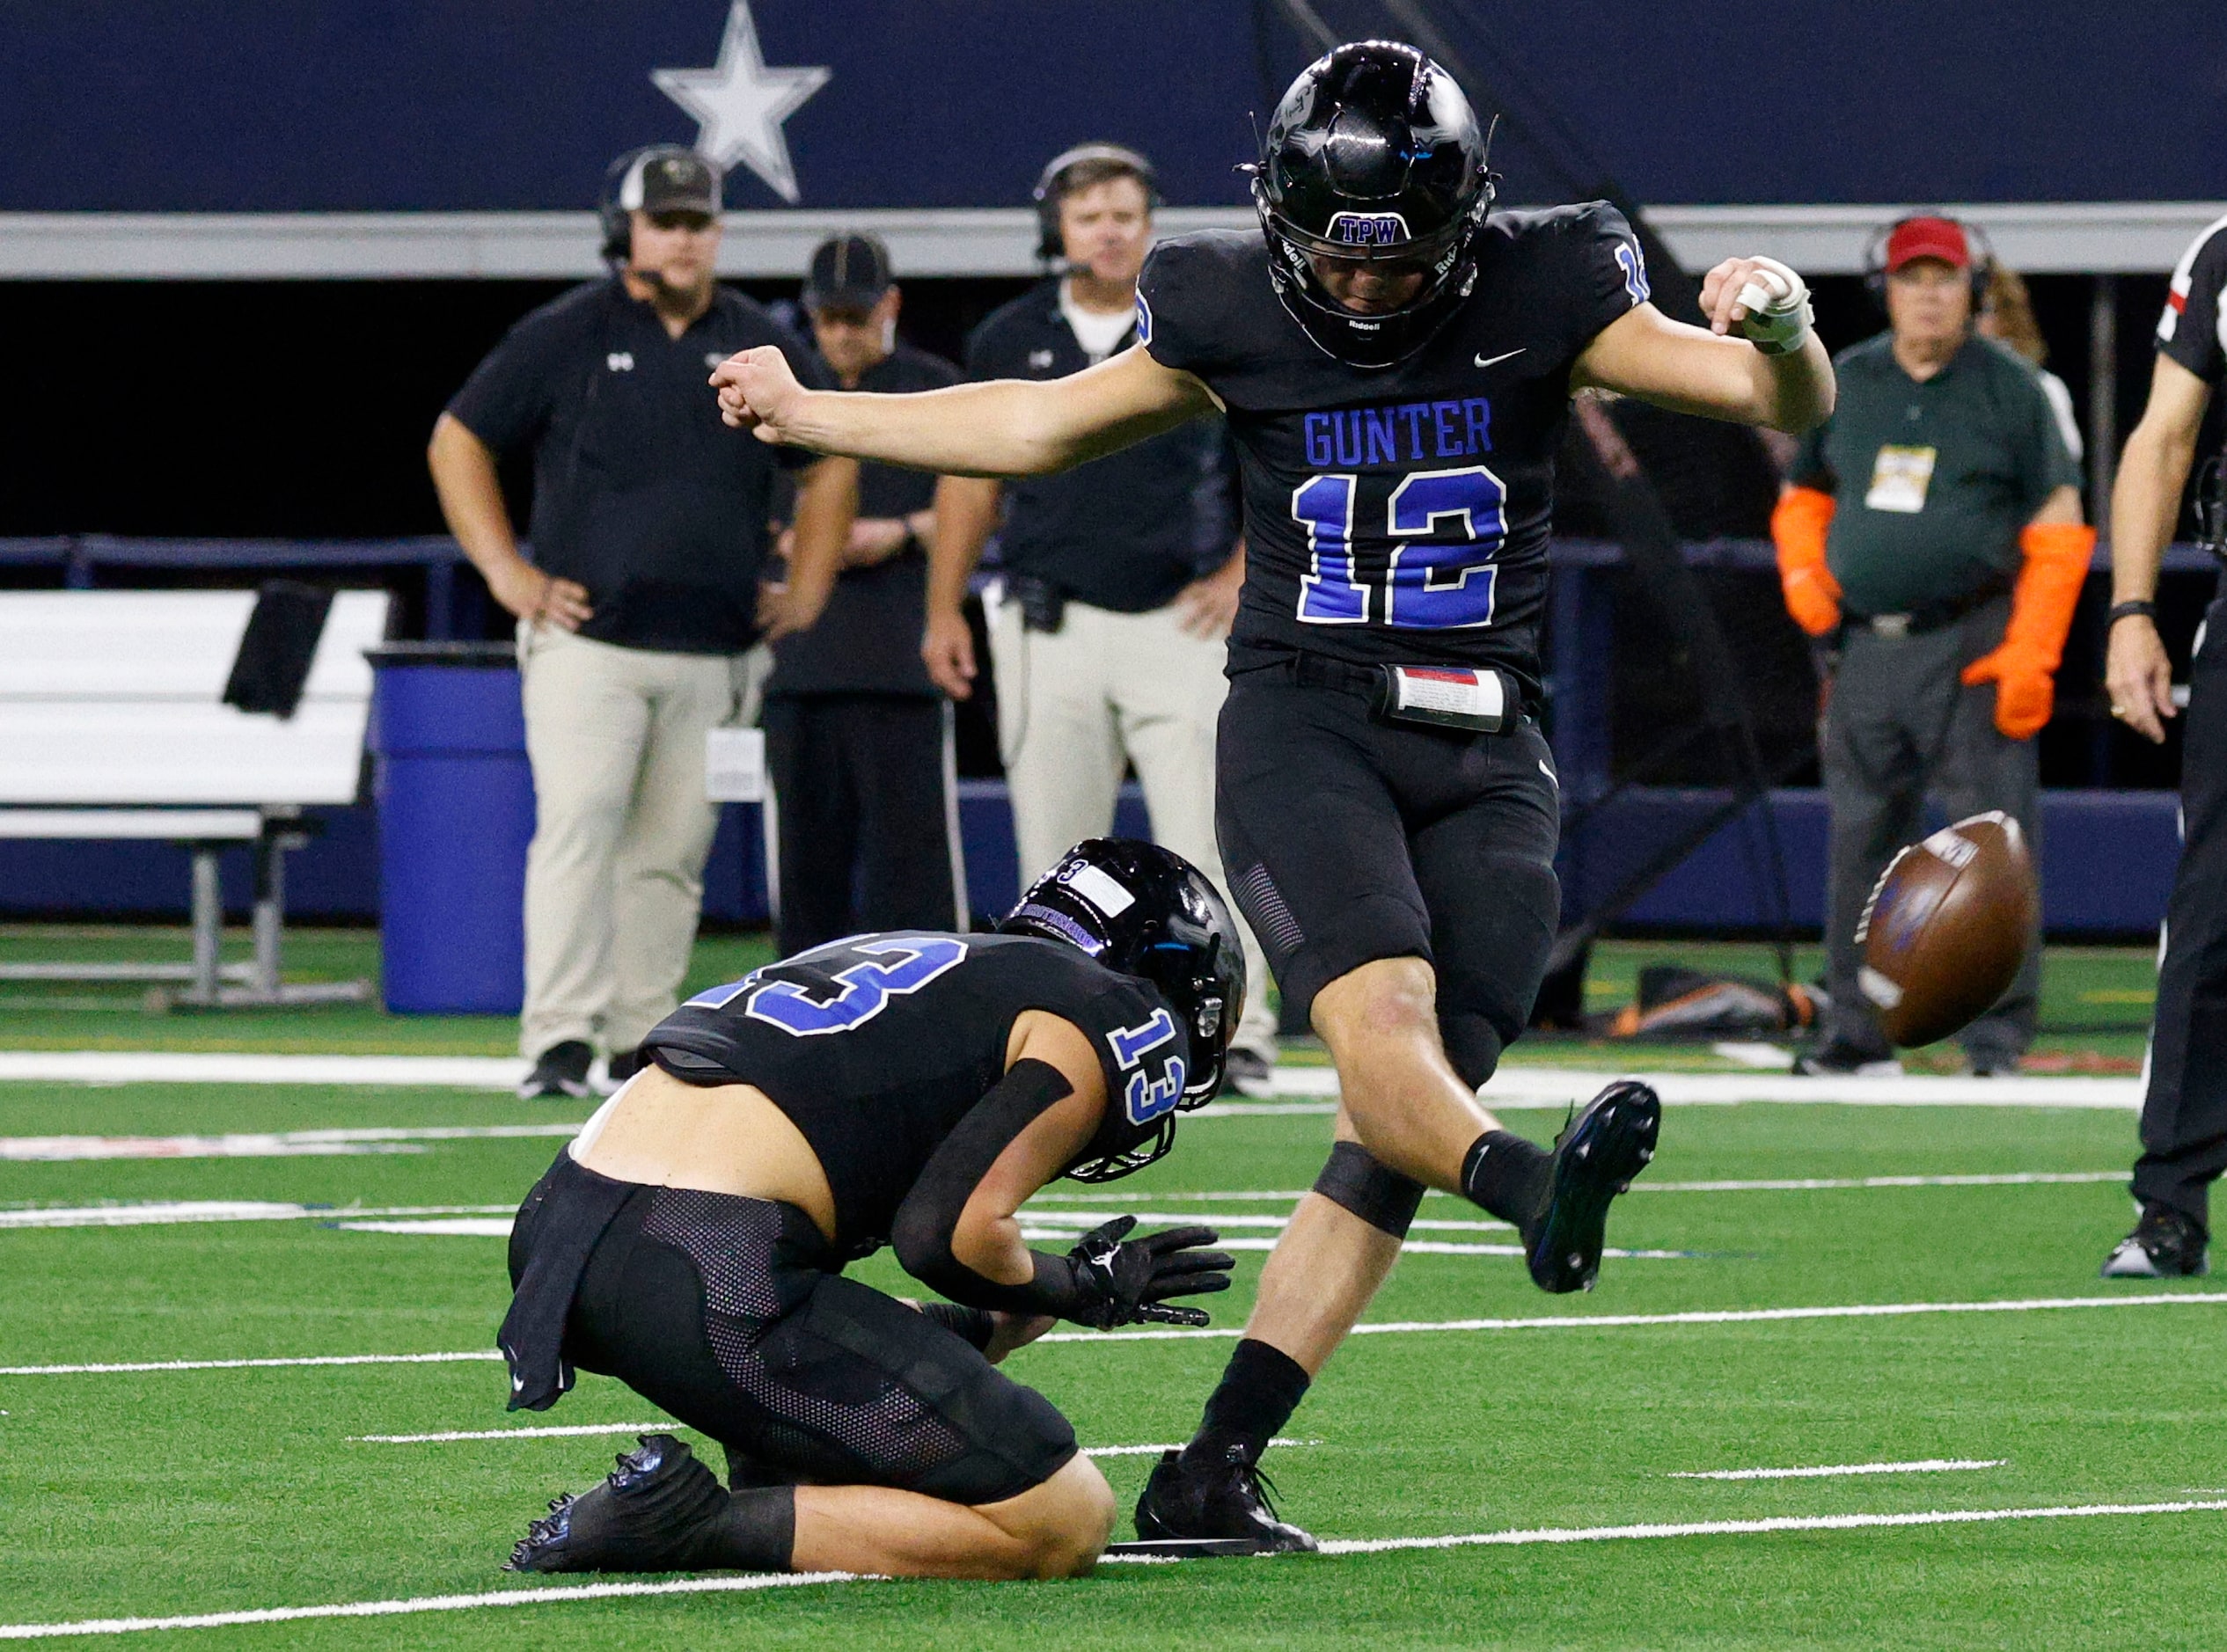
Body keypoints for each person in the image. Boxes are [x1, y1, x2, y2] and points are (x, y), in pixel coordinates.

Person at [712, 41, 1832, 1550]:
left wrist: (1790, 327)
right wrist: (816, 413)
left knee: (1400, 1114)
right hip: (1310, 718)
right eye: (1334, 258)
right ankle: (1525, 1185)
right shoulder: (1224, 301)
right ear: (1281, 218)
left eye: (1398, 262)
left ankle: (1213, 1466)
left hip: (1492, 739)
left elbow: (1780, 403)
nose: (1362, 293)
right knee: (1384, 1040)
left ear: (1465, 225)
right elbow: (1035, 426)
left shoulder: (1547, 284)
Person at [496, 839, 1242, 1579]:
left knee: (850, 1480)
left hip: (571, 1228)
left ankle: (753, 1494)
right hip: (706, 1256)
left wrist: (1008, 1311)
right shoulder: (1110, 1008)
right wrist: (1079, 1288)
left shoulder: (917, 956)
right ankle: (683, 1521)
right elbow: (944, 1238)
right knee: (1060, 1519)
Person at [429, 146, 857, 1100]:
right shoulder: (568, 333)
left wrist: (808, 590)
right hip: (591, 643)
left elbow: (828, 459)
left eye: (698, 221)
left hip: (715, 649)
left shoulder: (755, 337)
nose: (683, 237)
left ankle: (638, 1038)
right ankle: (558, 1038)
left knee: (670, 855)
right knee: (579, 829)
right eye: (665, 221)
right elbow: (458, 438)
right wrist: (508, 573)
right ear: (623, 231)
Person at [921, 142, 1281, 1094]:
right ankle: (1061, 1025)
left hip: (1181, 619)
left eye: (1124, 211)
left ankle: (1236, 1032)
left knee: (1210, 835)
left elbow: (1275, 446)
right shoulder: (1009, 336)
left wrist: (1242, 570)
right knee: (1055, 846)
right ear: (1059, 231)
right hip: (1050, 622)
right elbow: (968, 473)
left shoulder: (1198, 320)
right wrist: (942, 607)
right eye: (1089, 216)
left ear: (1149, 220)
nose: (1110, 230)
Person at [1772, 214, 2088, 1077]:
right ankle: (1854, 1032)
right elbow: (1803, 494)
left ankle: (1994, 1040)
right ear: (1886, 290)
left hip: (1972, 642)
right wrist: (1804, 574)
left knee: (1993, 847)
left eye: (1943, 280)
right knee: (1857, 843)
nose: (1926, 296)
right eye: (1910, 280)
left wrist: (2031, 649)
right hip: (1865, 649)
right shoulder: (1850, 378)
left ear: (1971, 292)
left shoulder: (2010, 389)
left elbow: (2059, 524)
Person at [761, 234, 968, 956]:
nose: (842, 333)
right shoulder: (779, 394)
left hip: (899, 659)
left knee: (911, 881)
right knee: (803, 877)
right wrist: (790, 538)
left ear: (891, 306)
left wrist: (904, 531)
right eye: (829, 319)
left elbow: (984, 497)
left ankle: (931, 1021)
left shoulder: (935, 384)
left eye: (857, 316)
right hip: (798, 662)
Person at [2100, 214, 2227, 1277]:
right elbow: (2160, 437)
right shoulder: (2221, 250)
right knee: (2211, 909)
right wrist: (2129, 608)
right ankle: (2168, 1203)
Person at [1978, 263, 2085, 466]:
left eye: (1983, 309)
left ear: (2007, 316)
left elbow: (2063, 468)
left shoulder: (2044, 389)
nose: (1972, 321)